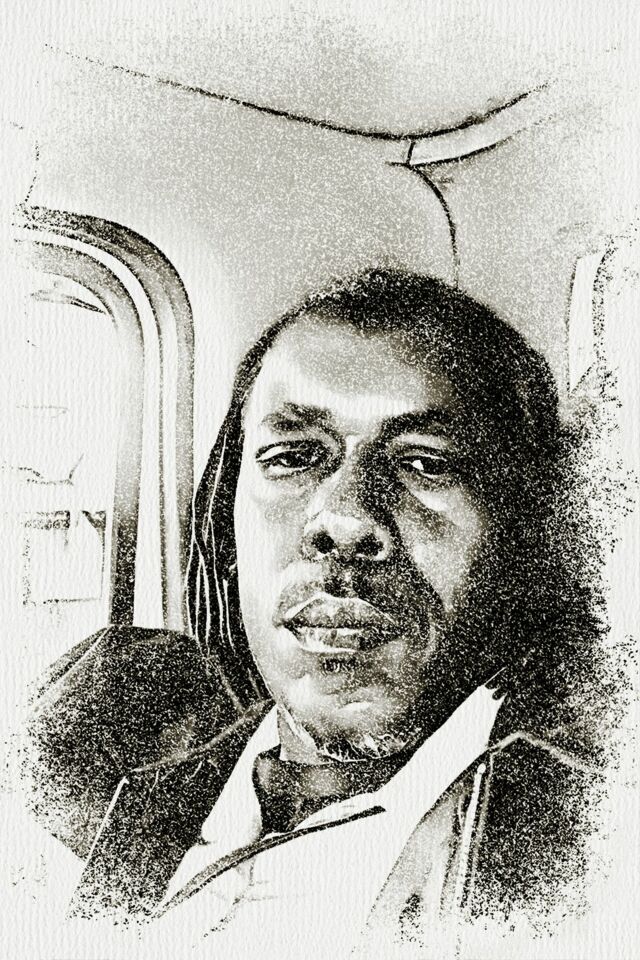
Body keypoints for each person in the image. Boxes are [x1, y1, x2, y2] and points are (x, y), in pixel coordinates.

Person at [24, 270, 607, 958]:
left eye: (426, 464)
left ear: (526, 537)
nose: (345, 520)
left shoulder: (589, 850)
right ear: (223, 525)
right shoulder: (124, 784)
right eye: (294, 456)